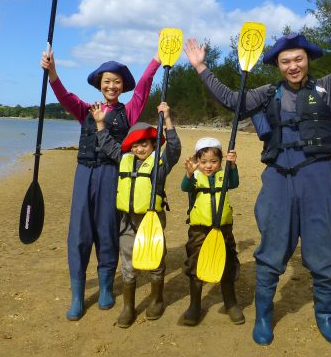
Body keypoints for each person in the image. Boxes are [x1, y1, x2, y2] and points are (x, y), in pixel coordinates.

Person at [183, 0, 331, 345]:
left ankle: (325, 315)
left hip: (317, 178)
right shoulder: (265, 93)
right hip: (277, 179)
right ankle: (264, 315)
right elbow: (231, 100)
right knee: (271, 249)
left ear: (307, 59)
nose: (293, 66)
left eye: (298, 59)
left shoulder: (327, 88)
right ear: (278, 65)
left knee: (323, 248)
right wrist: (200, 67)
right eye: (286, 61)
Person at [40, 50, 161, 321]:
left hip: (112, 175)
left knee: (107, 229)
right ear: (99, 83)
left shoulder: (128, 111)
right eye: (107, 81)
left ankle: (105, 287)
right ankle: (77, 295)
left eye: (117, 81)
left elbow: (143, 87)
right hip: (84, 174)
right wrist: (52, 72)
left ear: (122, 86)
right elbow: (64, 96)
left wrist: (156, 59)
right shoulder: (86, 110)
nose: (112, 86)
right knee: (79, 232)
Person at [90, 101, 181, 328]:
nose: (139, 149)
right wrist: (100, 123)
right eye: (135, 145)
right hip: (127, 221)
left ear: (152, 144)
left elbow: (174, 148)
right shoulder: (125, 159)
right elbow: (108, 144)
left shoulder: (160, 163)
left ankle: (157, 300)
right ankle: (128, 307)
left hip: (151, 220)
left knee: (155, 260)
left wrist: (167, 119)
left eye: (144, 144)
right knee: (128, 262)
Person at [180, 137, 244, 326]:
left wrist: (232, 165)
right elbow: (185, 187)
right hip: (199, 230)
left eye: (214, 161)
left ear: (220, 161)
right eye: (203, 162)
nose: (208, 166)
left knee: (227, 264)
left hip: (223, 229)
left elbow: (234, 183)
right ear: (197, 161)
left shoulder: (224, 175)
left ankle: (231, 304)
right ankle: (195, 305)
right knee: (196, 264)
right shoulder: (195, 177)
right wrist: (189, 174)